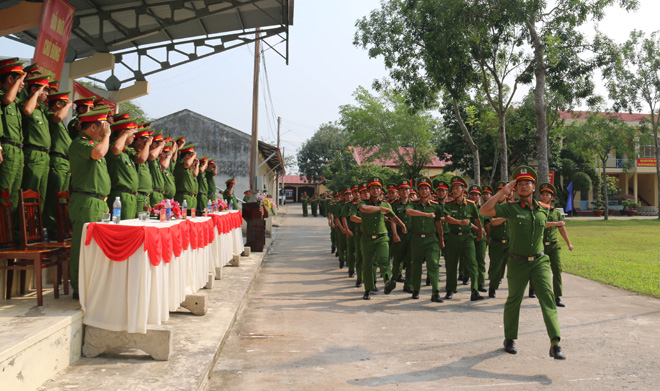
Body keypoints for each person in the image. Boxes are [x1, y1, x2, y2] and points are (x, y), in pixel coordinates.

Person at [480, 166, 565, 359]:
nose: (524, 186)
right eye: (519, 183)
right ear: (515, 188)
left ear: (534, 186)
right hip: (517, 262)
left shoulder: (544, 210)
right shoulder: (511, 208)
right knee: (513, 301)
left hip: (539, 261)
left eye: (528, 182)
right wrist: (503, 191)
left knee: (547, 299)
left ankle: (555, 343)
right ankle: (509, 338)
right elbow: (485, 210)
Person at [68, 109, 112, 299]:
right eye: (102, 126)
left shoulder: (95, 143)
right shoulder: (80, 143)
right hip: (85, 201)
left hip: (98, 202)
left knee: (96, 247)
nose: (105, 129)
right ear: (93, 127)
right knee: (82, 245)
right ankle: (79, 288)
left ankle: (93, 284)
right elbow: (98, 153)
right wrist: (108, 135)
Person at [358, 177, 406, 300]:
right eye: (372, 188)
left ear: (381, 191)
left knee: (384, 260)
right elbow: (364, 210)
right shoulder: (363, 203)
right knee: (367, 264)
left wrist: (402, 225)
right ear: (368, 190)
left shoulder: (386, 204)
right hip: (367, 238)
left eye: (377, 188)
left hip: (382, 238)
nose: (375, 190)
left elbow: (393, 217)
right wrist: (380, 209)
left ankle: (387, 283)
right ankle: (368, 289)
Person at [443, 176, 484, 301]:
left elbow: (477, 220)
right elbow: (447, 218)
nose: (454, 190)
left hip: (468, 237)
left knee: (472, 263)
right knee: (451, 264)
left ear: (463, 189)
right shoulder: (448, 204)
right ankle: (450, 289)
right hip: (453, 236)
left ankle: (475, 291)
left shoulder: (471, 205)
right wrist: (459, 222)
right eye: (453, 188)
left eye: (457, 188)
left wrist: (480, 233)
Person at [405, 177, 444, 302]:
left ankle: (435, 291)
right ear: (418, 190)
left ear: (430, 191)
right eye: (421, 188)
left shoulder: (435, 206)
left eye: (426, 188)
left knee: (433, 264)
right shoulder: (413, 203)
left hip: (431, 239)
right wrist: (425, 214)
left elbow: (438, 224)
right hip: (416, 239)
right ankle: (416, 289)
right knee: (416, 265)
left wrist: (441, 239)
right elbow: (409, 211)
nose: (423, 191)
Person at [538, 182, 574, 308]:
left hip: (554, 246)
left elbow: (562, 229)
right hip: (540, 246)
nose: (544, 196)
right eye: (542, 194)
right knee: (540, 272)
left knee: (557, 270)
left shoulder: (556, 213)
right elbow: (542, 224)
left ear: (551, 197)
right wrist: (556, 223)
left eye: (547, 194)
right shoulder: (537, 211)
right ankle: (534, 288)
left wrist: (568, 243)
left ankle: (557, 296)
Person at [43, 90, 73, 238]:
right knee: (54, 196)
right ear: (57, 104)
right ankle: (52, 228)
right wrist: (68, 105)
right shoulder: (51, 115)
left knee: (62, 197)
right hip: (57, 160)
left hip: (65, 163)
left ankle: (60, 227)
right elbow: (58, 116)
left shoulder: (61, 124)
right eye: (63, 103)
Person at [0, 62, 27, 221]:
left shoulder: (16, 102)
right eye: (20, 80)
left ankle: (10, 236)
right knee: (4, 192)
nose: (23, 84)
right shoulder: (4, 96)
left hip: (18, 151)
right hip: (7, 148)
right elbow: (7, 99)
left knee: (15, 195)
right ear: (10, 78)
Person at [21, 74, 51, 210]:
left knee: (41, 194)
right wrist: (37, 93)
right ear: (34, 89)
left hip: (44, 156)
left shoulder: (41, 110)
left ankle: (36, 225)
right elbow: (27, 110)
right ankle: (25, 226)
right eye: (44, 90)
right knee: (30, 192)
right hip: (33, 153)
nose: (46, 94)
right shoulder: (27, 105)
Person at [106, 118, 139, 219]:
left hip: (130, 197)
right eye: (131, 133)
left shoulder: (126, 152)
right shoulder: (113, 147)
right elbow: (116, 148)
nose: (134, 136)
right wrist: (125, 134)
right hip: (120, 196)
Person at [484, 182, 510, 298]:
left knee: (510, 267)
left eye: (503, 193)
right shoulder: (493, 208)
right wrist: (506, 216)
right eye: (499, 193)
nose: (501, 196)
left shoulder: (511, 207)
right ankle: (492, 288)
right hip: (496, 242)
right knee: (495, 266)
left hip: (510, 243)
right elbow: (493, 222)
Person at [390, 179, 413, 291]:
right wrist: (395, 234)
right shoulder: (394, 205)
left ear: (410, 191)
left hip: (411, 235)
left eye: (406, 189)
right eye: (402, 189)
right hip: (399, 235)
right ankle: (394, 278)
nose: (404, 191)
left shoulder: (414, 204)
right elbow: (393, 220)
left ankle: (408, 284)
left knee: (410, 260)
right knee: (397, 259)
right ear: (398, 191)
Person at [129, 124, 155, 212]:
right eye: (145, 140)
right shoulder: (133, 151)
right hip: (138, 194)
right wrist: (148, 144)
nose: (148, 143)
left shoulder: (143, 152)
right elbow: (141, 159)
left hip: (145, 196)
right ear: (139, 140)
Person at [468, 185, 489, 293]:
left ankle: (481, 283)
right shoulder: (467, 207)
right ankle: (473, 283)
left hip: (481, 239)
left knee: (480, 260)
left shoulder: (483, 208)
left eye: (476, 194)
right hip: (469, 237)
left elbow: (486, 224)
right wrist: (477, 229)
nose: (474, 196)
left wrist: (488, 237)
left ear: (479, 196)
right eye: (472, 194)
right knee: (471, 262)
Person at [348, 184, 368, 287]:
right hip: (360, 235)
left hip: (373, 236)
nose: (366, 194)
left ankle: (371, 282)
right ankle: (360, 279)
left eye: (367, 192)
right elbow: (352, 217)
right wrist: (366, 221)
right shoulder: (355, 205)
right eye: (363, 192)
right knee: (360, 258)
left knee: (371, 260)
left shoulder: (376, 204)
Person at [174, 143, 198, 213]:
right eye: (191, 156)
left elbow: (195, 174)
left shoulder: (189, 168)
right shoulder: (180, 163)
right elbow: (187, 164)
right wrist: (194, 156)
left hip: (190, 197)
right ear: (186, 156)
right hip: (183, 196)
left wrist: (196, 165)